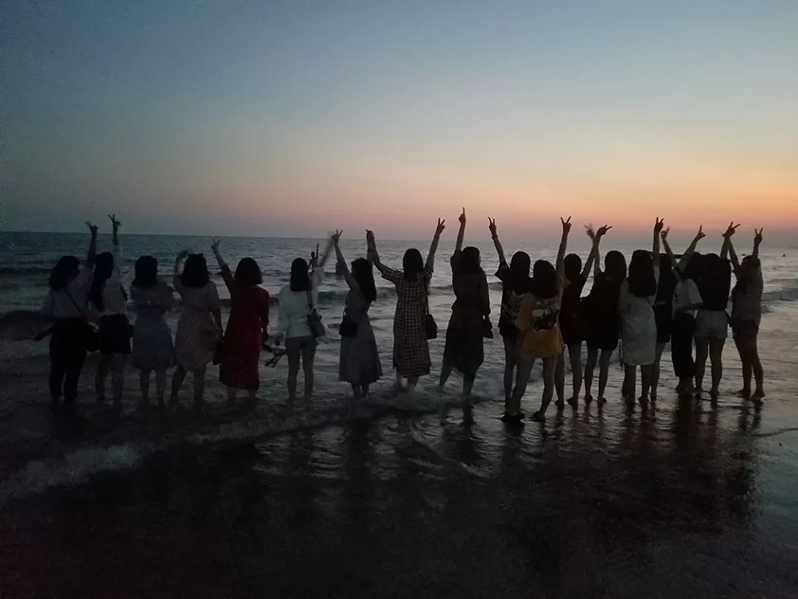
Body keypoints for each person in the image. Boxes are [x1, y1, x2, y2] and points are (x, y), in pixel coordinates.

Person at [368, 219, 445, 392]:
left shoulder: (399, 278)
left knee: (401, 350)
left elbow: (379, 265)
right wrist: (437, 234)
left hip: (401, 321)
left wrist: (372, 242)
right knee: (416, 353)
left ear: (405, 263)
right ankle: (411, 390)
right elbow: (432, 253)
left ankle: (399, 383)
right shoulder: (424, 277)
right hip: (418, 322)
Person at [507, 217, 571, 423]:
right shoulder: (557, 291)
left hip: (531, 342)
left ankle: (513, 410)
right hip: (552, 341)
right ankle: (542, 412)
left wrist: (518, 348)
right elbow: (560, 262)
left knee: (522, 380)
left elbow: (522, 326)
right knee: (548, 378)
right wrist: (565, 235)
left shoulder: (530, 298)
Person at [39, 221, 97, 415]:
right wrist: (94, 237)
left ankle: (55, 401)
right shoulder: (80, 283)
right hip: (78, 329)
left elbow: (45, 313)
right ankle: (69, 402)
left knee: (57, 369)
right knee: (74, 370)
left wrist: (44, 330)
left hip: (59, 330)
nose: (80, 269)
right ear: (73, 269)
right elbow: (90, 261)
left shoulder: (55, 287)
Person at [555, 224, 610, 409]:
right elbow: (591, 258)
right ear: (578, 268)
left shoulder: (560, 281)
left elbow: (559, 258)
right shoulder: (579, 280)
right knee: (576, 362)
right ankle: (575, 396)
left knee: (559, 364)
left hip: (560, 324)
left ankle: (560, 398)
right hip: (576, 324)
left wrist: (565, 234)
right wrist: (597, 239)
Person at [439, 209, 490, 398]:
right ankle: (465, 395)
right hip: (474, 322)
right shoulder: (480, 275)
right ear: (476, 259)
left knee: (450, 355)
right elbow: (485, 300)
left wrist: (462, 226)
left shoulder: (457, 271)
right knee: (472, 359)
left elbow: (457, 250)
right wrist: (486, 315)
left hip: (457, 318)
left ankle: (440, 387)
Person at [212, 240, 271, 403]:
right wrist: (264, 335)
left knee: (232, 369)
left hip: (235, 334)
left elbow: (225, 270)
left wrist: (216, 251)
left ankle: (231, 402)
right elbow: (264, 319)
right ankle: (251, 400)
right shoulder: (263, 294)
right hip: (253, 336)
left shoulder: (236, 289)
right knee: (251, 369)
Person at [276, 242, 332, 400]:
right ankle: (308, 399)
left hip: (293, 334)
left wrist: (279, 333)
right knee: (308, 369)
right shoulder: (311, 286)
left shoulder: (285, 291)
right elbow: (319, 270)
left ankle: (292, 400)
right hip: (309, 334)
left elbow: (283, 317)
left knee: (292, 371)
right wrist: (329, 247)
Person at [618, 218, 664, 407]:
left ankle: (630, 396)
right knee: (647, 363)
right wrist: (656, 234)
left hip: (630, 326)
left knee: (630, 365)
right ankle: (644, 395)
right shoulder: (653, 280)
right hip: (648, 325)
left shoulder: (627, 284)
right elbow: (657, 258)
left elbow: (621, 307)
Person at [331, 230, 382, 397]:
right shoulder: (368, 286)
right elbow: (369, 263)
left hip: (353, 329)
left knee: (353, 362)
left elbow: (343, 266)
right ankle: (365, 394)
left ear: (357, 273)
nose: (351, 272)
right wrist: (370, 241)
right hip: (365, 327)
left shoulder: (356, 287)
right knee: (365, 362)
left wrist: (336, 245)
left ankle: (357, 397)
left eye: (354, 270)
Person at [490, 218, 533, 413]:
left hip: (507, 326)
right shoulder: (531, 284)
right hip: (523, 329)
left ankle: (507, 397)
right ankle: (517, 399)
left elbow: (501, 256)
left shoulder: (507, 277)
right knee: (521, 366)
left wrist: (494, 235)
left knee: (509, 364)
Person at [171, 251, 222, 406]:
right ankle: (198, 400)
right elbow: (215, 307)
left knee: (182, 366)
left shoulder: (182, 284)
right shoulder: (209, 286)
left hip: (186, 322)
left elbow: (176, 275)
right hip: (203, 324)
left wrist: (178, 259)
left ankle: (173, 396)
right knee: (200, 368)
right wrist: (219, 327)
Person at [91, 214, 130, 408]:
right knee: (118, 368)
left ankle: (100, 396)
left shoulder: (96, 284)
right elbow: (118, 250)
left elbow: (95, 313)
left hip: (106, 325)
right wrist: (115, 230)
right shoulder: (115, 278)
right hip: (120, 324)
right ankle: (117, 400)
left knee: (103, 364)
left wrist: (94, 237)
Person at [661, 227, 706, 398]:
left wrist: (681, 308)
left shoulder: (690, 283)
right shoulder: (679, 279)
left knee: (684, 351)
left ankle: (689, 383)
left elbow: (698, 303)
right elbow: (675, 259)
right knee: (677, 352)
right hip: (678, 319)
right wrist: (664, 241)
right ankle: (682, 381)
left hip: (686, 320)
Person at [695, 223, 736, 401]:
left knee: (701, 357)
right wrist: (727, 239)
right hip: (720, 316)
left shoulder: (702, 278)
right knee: (716, 357)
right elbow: (724, 256)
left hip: (704, 315)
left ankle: (698, 387)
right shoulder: (724, 276)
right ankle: (714, 388)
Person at [582, 242, 626, 406]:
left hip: (594, 323)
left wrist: (596, 242)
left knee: (591, 361)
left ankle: (587, 393)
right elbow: (621, 307)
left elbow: (596, 264)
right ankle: (600, 396)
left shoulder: (599, 279)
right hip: (610, 325)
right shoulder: (621, 284)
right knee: (604, 363)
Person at [130, 256, 176, 407]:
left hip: (141, 329)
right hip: (158, 329)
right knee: (160, 369)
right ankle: (161, 398)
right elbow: (168, 306)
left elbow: (135, 304)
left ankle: (144, 397)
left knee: (144, 370)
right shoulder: (162, 287)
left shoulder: (134, 287)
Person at [729, 228, 765, 401]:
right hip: (738, 321)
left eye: (746, 264)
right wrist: (728, 240)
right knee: (744, 357)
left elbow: (754, 262)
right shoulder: (741, 281)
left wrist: (756, 245)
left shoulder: (755, 280)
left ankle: (759, 389)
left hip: (749, 321)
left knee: (752, 355)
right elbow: (734, 261)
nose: (742, 266)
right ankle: (746, 388)